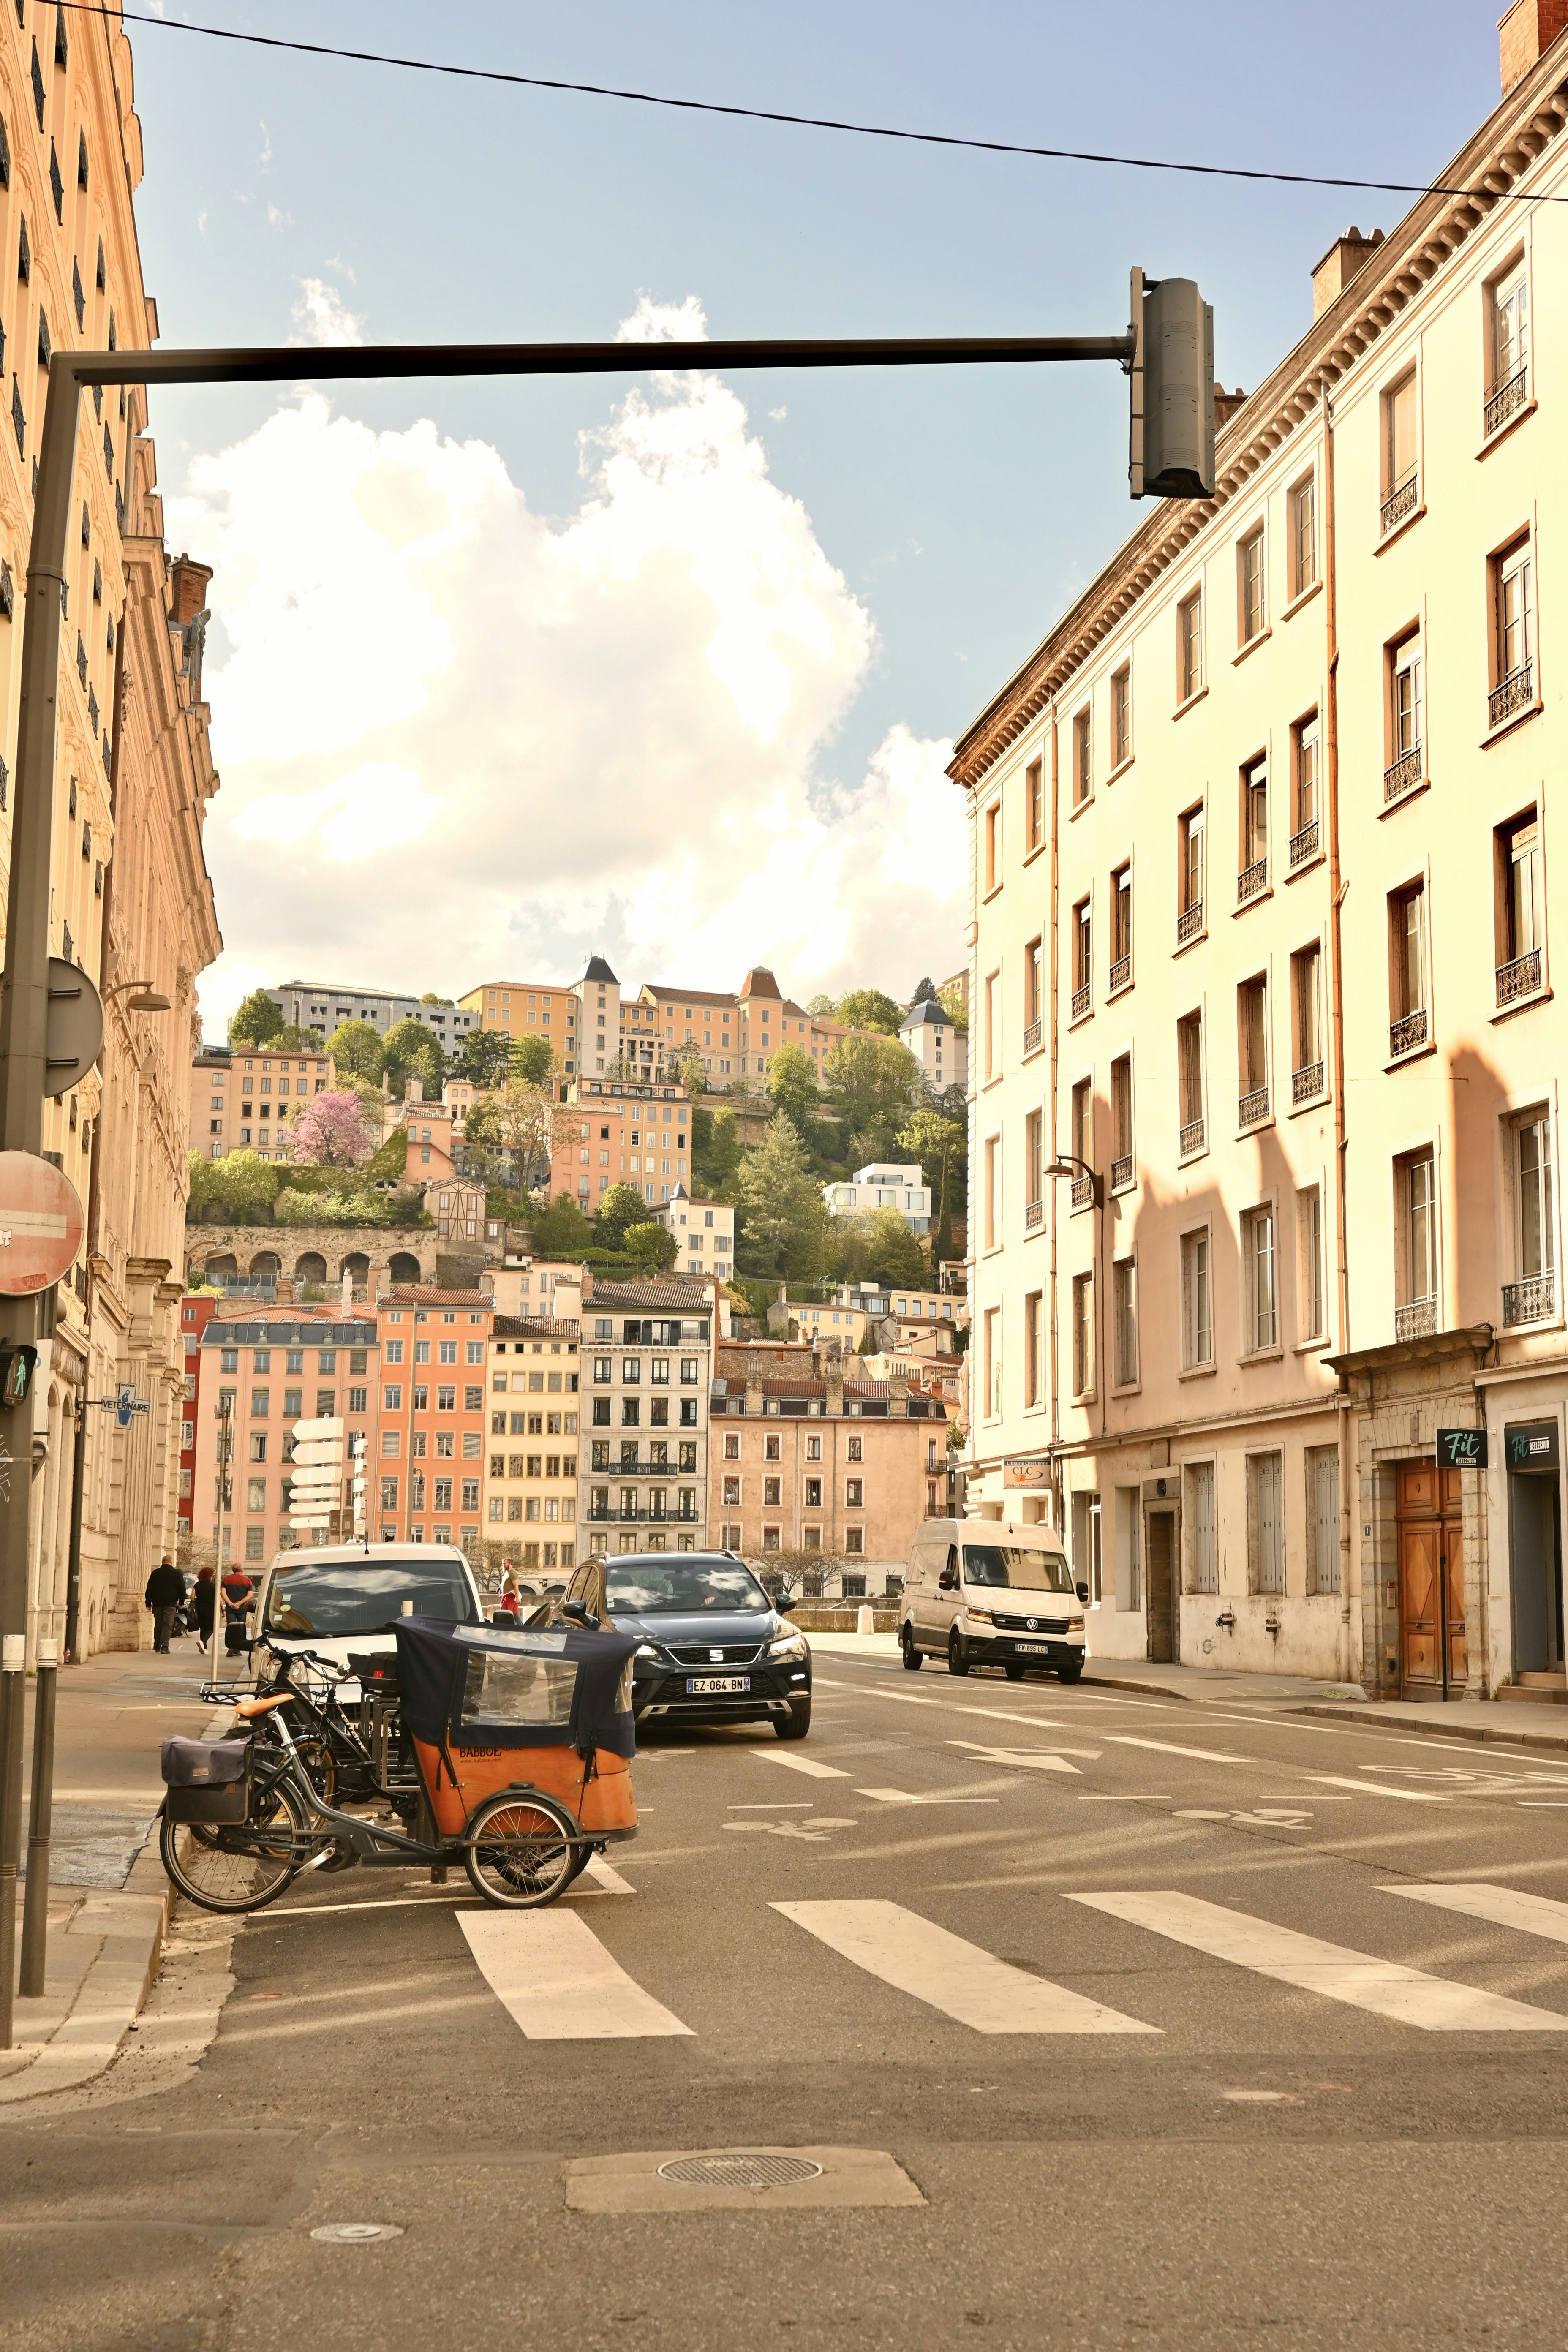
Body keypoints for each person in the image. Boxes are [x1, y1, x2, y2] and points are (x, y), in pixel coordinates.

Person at [144, 1558, 187, 1654]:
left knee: (158, 1624)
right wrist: (182, 1602)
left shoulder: (156, 1573)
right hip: (170, 1604)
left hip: (157, 1604)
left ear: (162, 1562)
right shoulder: (177, 1574)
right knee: (167, 1625)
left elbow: (149, 1588)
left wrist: (148, 1603)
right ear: (171, 1562)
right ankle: (164, 1646)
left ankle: (157, 1646)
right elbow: (182, 1588)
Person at [221, 1564, 255, 1654]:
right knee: (241, 1628)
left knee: (231, 1627)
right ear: (242, 1570)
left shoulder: (226, 1580)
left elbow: (223, 1594)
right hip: (242, 1609)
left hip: (230, 1609)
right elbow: (250, 1595)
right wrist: (239, 1604)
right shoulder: (248, 1581)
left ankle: (230, 1647)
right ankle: (237, 1649)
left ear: (233, 1570)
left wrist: (230, 1604)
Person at [191, 1565, 217, 1647]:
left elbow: (192, 1597)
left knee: (203, 1626)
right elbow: (218, 1598)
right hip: (211, 1607)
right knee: (212, 1627)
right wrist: (223, 1609)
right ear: (209, 1576)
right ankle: (203, 1641)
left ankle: (204, 1646)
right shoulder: (213, 1586)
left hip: (200, 1607)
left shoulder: (197, 1585)